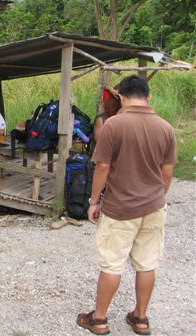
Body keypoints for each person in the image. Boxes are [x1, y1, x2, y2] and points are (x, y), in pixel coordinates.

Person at [77, 75, 176, 336]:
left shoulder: (114, 125)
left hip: (120, 208)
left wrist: (94, 200)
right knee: (147, 264)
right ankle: (140, 319)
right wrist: (155, 197)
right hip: (154, 207)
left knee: (112, 264)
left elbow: (103, 167)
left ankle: (98, 320)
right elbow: (167, 173)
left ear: (120, 95)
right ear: (148, 96)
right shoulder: (166, 128)